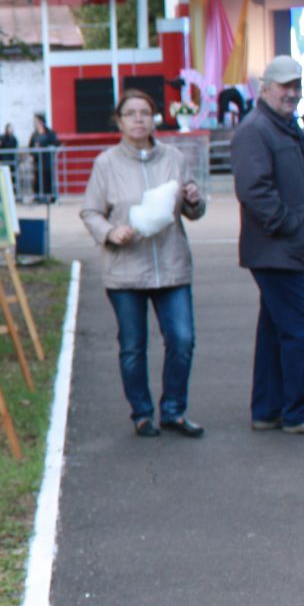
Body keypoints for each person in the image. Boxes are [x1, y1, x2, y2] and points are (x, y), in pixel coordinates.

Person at [80, 88, 207, 438]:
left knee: (182, 340)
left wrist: (194, 200)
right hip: (126, 271)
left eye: (145, 113)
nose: (139, 119)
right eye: (131, 113)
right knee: (133, 346)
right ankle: (141, 412)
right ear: (119, 121)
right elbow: (90, 210)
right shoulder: (106, 163)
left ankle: (174, 410)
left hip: (172, 265)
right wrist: (109, 231)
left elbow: (193, 210)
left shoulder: (174, 159)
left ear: (154, 119)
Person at [231, 55, 304, 435]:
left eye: (297, 86)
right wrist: (289, 224)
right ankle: (299, 412)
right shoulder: (257, 129)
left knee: (276, 326)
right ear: (265, 89)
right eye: (285, 87)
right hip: (275, 246)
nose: (292, 94)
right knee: (300, 323)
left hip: (280, 246)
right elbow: (253, 189)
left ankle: (268, 409)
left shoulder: (282, 126)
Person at [28, 113, 60, 202]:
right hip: (37, 161)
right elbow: (30, 147)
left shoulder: (49, 133)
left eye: (37, 121)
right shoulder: (34, 134)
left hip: (47, 161)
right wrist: (34, 150)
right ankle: (37, 197)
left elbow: (56, 143)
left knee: (48, 178)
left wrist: (47, 147)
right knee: (37, 179)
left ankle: (51, 197)